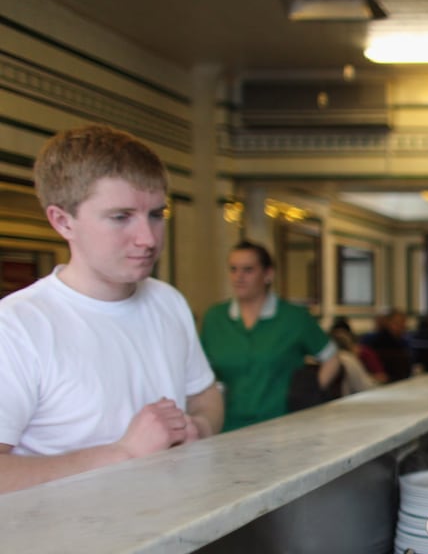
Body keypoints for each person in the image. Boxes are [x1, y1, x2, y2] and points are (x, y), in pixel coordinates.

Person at [0, 124, 223, 494]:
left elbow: (205, 396)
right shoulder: (17, 326)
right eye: (121, 217)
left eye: (155, 214)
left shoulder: (168, 301)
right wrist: (123, 452)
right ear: (62, 220)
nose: (148, 239)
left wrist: (199, 427)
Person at [200, 241, 339, 431]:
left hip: (283, 427)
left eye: (248, 270)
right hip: (227, 429)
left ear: (268, 274)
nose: (238, 277)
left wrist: (309, 399)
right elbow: (200, 374)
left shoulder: (294, 318)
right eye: (233, 269)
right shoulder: (214, 318)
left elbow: (332, 359)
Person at [360, 308, 413, 381]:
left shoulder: (404, 341)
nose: (402, 326)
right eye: (397, 323)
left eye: (403, 322)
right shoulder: (372, 340)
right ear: (387, 323)